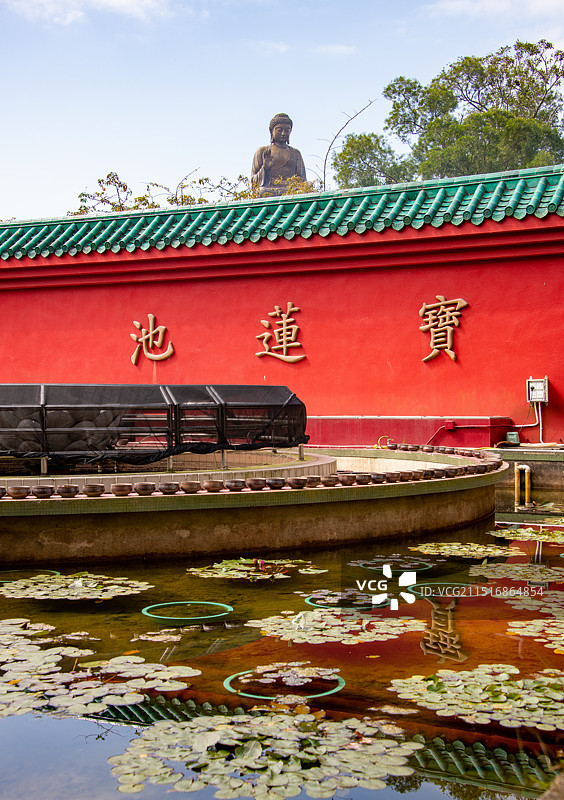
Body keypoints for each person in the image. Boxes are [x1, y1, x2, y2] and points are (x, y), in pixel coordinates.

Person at [251, 113, 307, 196]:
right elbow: (253, 183)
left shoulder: (296, 153)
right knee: (261, 191)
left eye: (287, 130)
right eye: (279, 130)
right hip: (269, 189)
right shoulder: (262, 151)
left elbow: (302, 181)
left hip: (291, 190)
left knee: (307, 186)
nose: (283, 133)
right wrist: (265, 168)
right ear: (271, 131)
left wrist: (303, 186)